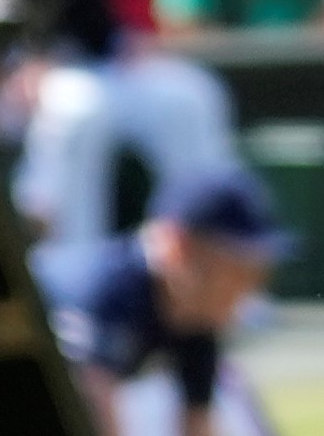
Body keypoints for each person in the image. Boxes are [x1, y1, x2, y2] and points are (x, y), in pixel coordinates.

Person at [34, 167, 290, 436]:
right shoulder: (104, 291)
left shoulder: (194, 320)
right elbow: (92, 406)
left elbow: (198, 424)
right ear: (178, 246)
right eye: (236, 268)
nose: (249, 287)